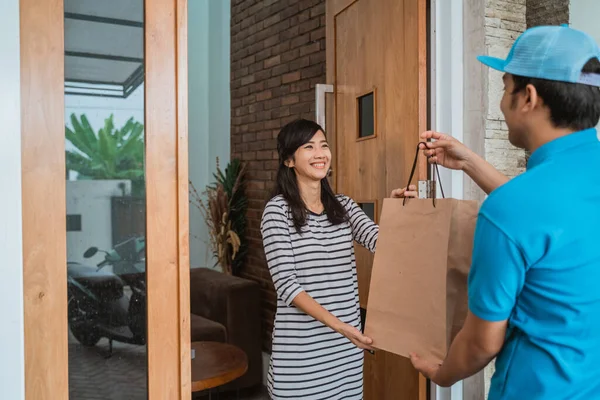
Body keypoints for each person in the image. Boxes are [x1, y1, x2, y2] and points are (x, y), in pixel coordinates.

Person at [409, 25, 600, 399]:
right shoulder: (551, 195)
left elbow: (482, 342)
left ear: (528, 97)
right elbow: (549, 220)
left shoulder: (511, 210)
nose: (500, 102)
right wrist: (469, 163)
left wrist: (442, 374)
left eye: (504, 86)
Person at [260, 118, 416, 399]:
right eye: (309, 147)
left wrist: (399, 210)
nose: (320, 153)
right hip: (302, 359)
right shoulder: (277, 211)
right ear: (288, 160)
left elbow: (381, 243)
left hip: (345, 357)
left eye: (324, 145)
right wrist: (342, 326)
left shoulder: (343, 206)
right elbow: (287, 286)